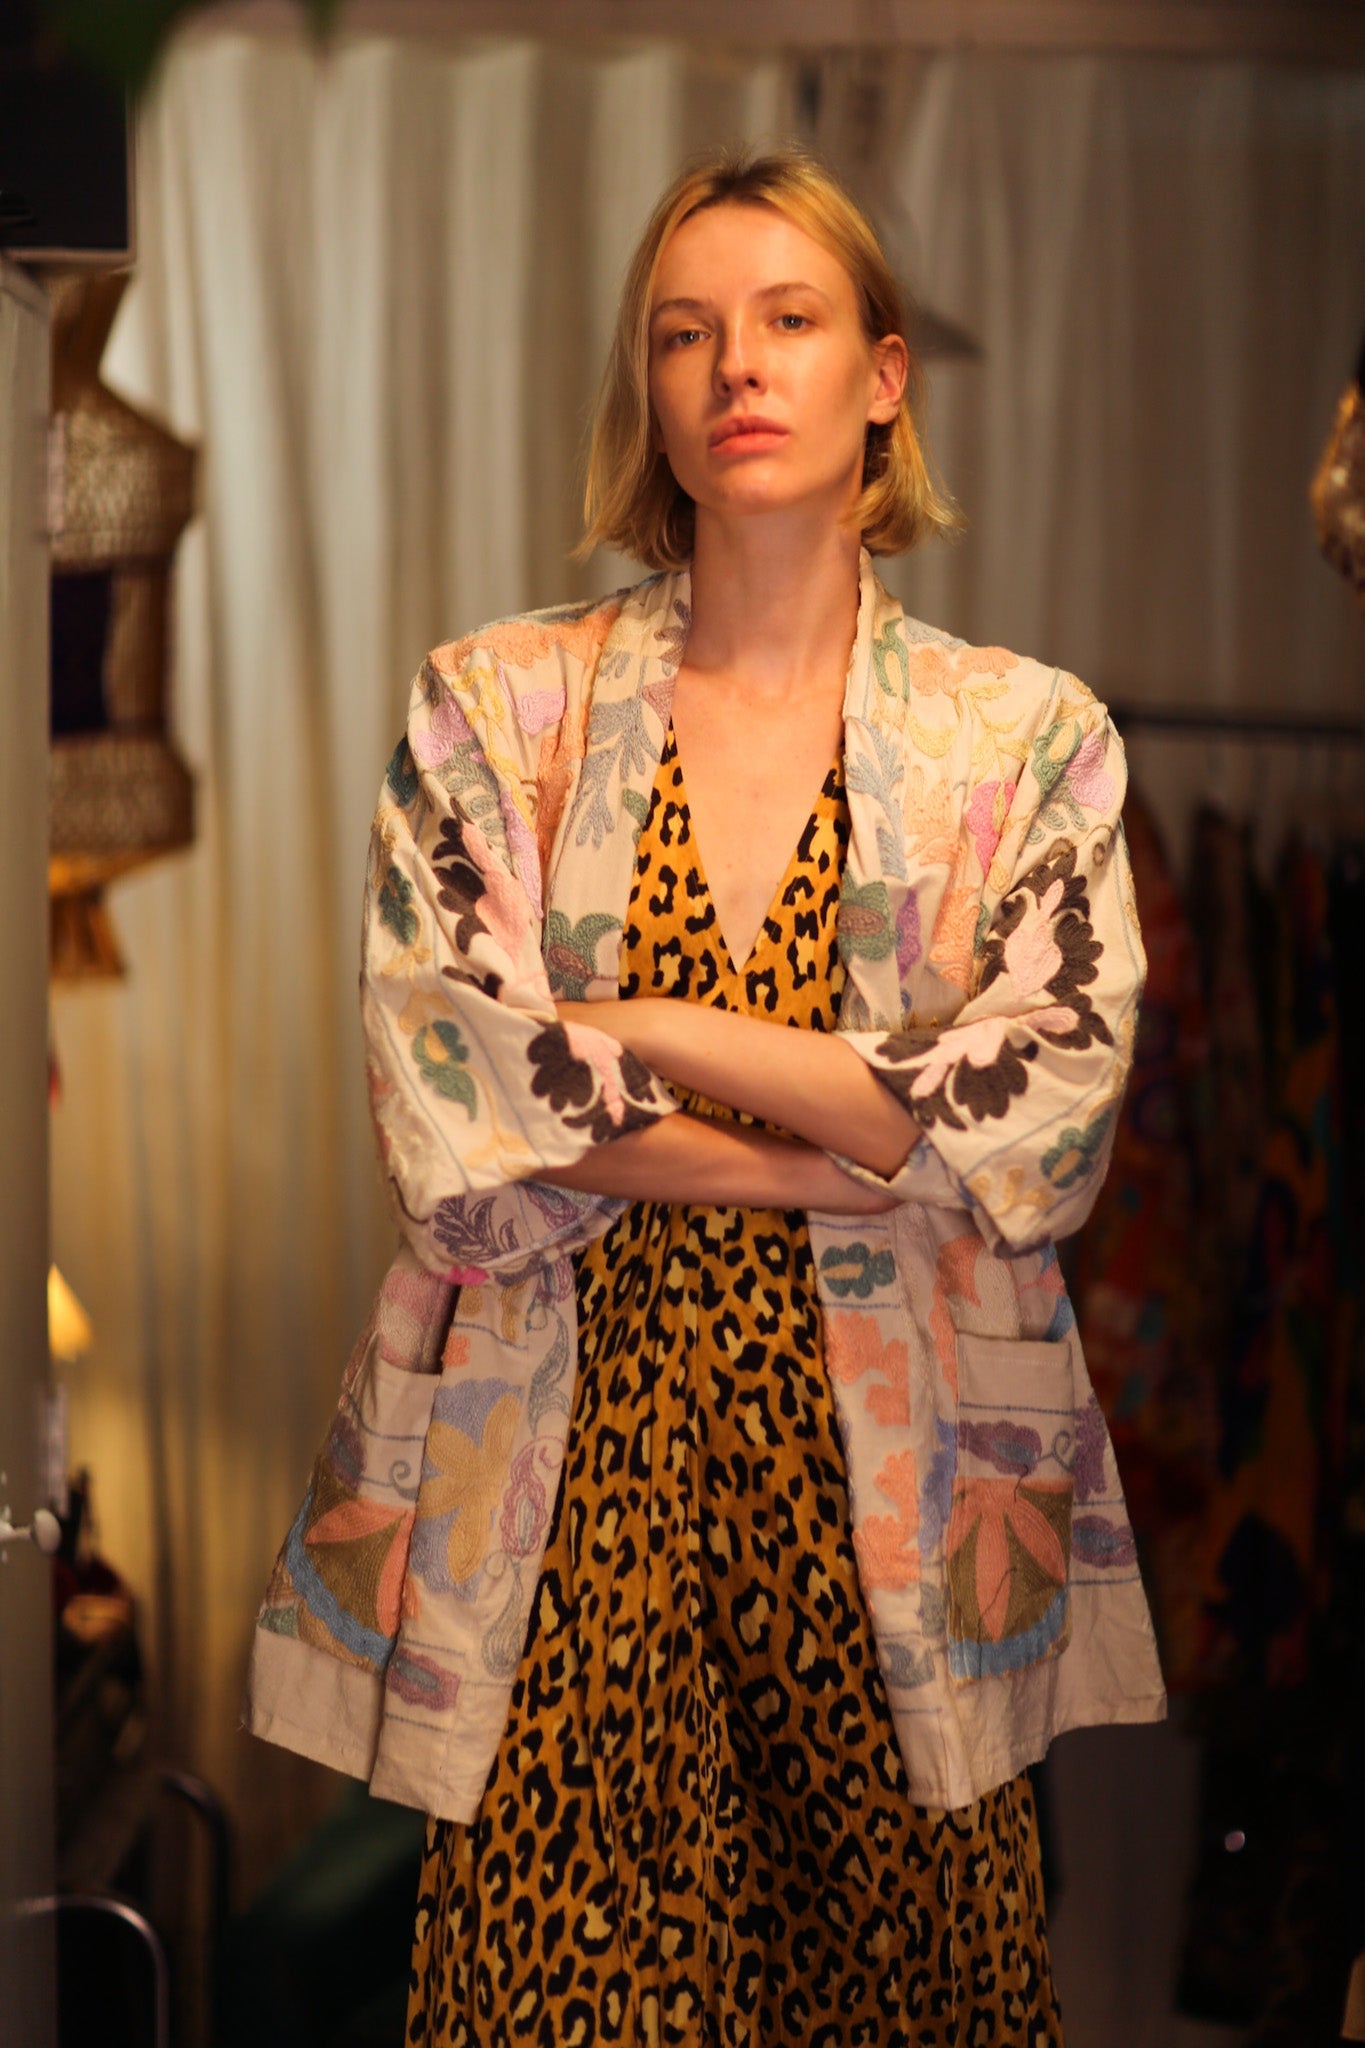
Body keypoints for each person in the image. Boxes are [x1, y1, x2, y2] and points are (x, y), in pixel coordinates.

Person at [245, 148, 1165, 2046]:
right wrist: (844, 1153)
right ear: (650, 394)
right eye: (684, 334)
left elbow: (1042, 1114)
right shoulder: (495, 709)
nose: (735, 365)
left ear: (881, 377)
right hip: (564, 1506)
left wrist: (642, 1021)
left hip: (904, 1520)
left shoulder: (1025, 739)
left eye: (786, 319)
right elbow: (451, 1101)